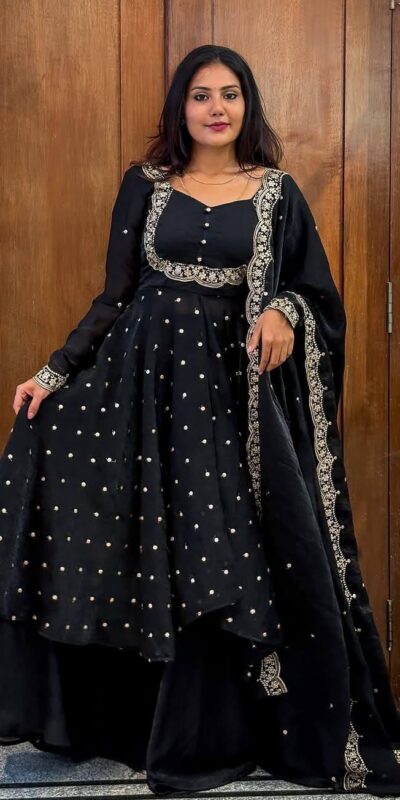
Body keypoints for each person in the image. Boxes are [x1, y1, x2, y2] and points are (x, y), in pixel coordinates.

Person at [0, 42, 400, 798]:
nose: (217, 108)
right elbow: (114, 295)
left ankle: (214, 730)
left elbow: (316, 294)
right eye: (201, 95)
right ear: (180, 107)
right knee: (117, 525)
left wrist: (283, 309)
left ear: (248, 106)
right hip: (137, 390)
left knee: (213, 549)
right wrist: (53, 373)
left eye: (230, 94)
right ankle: (117, 723)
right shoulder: (146, 185)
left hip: (224, 402)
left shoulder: (276, 193)